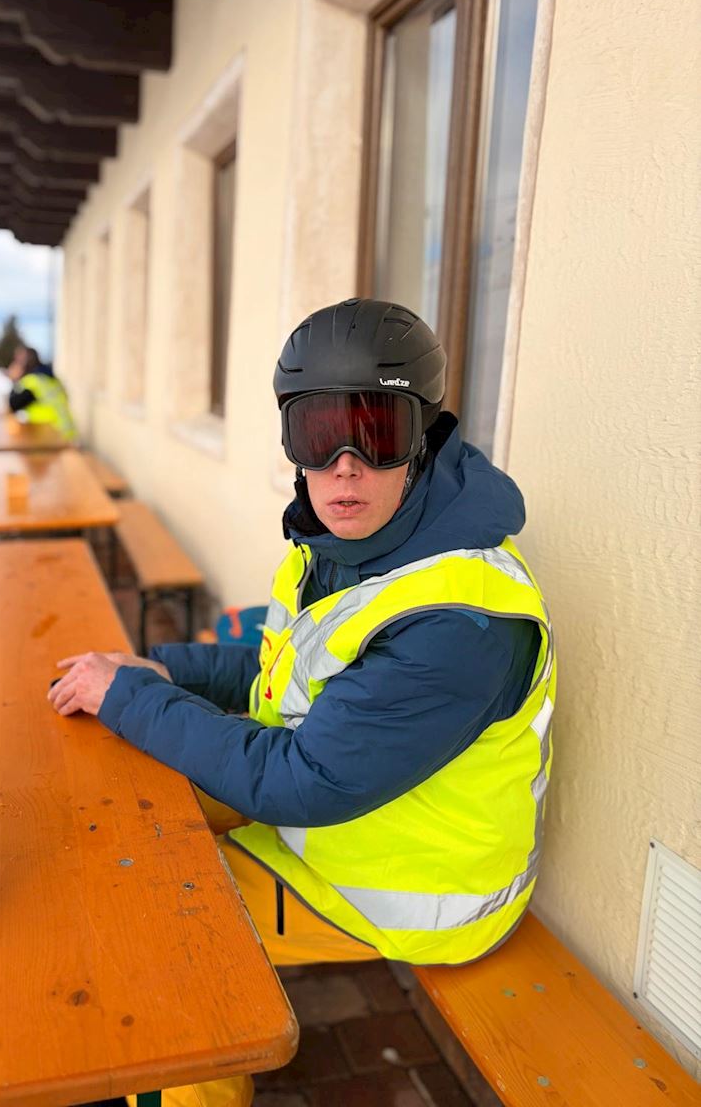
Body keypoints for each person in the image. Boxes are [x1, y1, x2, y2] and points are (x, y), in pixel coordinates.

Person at [47, 298, 556, 1107]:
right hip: (342, 828)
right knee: (128, 815)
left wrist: (134, 698)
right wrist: (163, 669)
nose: (345, 466)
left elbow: (300, 781)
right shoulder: (359, 545)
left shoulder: (458, 623)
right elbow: (279, 664)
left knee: (168, 928)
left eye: (376, 433)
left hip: (407, 888)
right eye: (319, 435)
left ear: (422, 441)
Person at [7, 345, 77, 440]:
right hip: (65, 432)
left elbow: (13, 405)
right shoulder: (50, 377)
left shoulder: (32, 382)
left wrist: (14, 379)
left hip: (49, 434)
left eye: (18, 360)